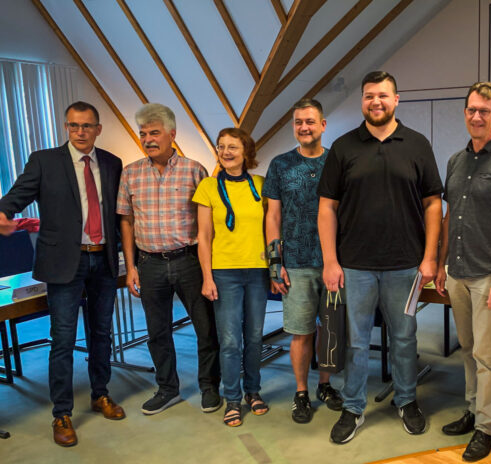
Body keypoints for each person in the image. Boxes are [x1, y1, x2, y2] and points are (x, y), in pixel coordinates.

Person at [318, 71, 443, 444]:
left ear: (396, 99)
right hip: (354, 265)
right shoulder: (343, 148)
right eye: (369, 95)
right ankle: (353, 407)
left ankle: (406, 400)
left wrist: (430, 256)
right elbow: (327, 208)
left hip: (406, 265)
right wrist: (330, 260)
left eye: (383, 95)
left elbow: (433, 204)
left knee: (404, 337)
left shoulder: (417, 145)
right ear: (362, 101)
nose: (376, 101)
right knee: (355, 341)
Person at [0, 101, 125, 447]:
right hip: (66, 263)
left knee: (102, 333)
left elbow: (117, 212)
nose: (80, 132)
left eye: (87, 126)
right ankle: (62, 413)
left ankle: (100, 394)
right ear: (66, 127)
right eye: (73, 125)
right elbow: (18, 196)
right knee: (63, 340)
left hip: (104, 260)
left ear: (98, 128)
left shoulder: (111, 163)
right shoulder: (44, 161)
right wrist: (2, 213)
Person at [434, 82, 491, 461]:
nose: (477, 117)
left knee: (488, 356)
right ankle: (473, 411)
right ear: (465, 113)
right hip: (456, 271)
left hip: (489, 274)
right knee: (469, 349)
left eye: (484, 111)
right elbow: (447, 218)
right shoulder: (456, 161)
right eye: (472, 110)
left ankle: (486, 428)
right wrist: (442, 263)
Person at [117, 103, 221, 416]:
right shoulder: (130, 173)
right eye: (143, 134)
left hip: (188, 260)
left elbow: (206, 224)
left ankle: (209, 387)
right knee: (157, 331)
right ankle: (167, 388)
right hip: (150, 265)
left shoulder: (194, 170)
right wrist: (131, 266)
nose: (148, 139)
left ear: (171, 134)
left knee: (205, 328)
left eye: (154, 132)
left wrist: (207, 270)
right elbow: (126, 221)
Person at [263, 99, 343, 424]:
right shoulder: (280, 165)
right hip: (295, 263)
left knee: (330, 330)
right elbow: (272, 216)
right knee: (300, 332)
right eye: (298, 122)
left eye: (310, 121)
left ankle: (324, 384)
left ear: (323, 125)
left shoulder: (337, 163)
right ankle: (300, 392)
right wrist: (273, 262)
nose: (304, 127)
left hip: (332, 263)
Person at [193, 127, 270, 427]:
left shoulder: (261, 185)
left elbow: (270, 227)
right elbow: (204, 236)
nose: (226, 152)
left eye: (233, 147)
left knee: (253, 336)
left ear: (246, 152)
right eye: (221, 146)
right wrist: (207, 277)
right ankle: (232, 399)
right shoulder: (208, 187)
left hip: (257, 271)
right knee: (229, 341)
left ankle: (253, 391)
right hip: (224, 272)